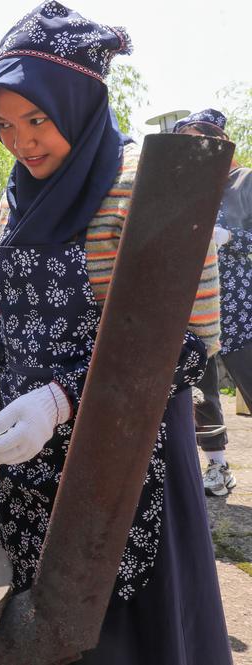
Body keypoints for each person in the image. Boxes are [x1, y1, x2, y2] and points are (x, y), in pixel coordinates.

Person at [0, 3, 230, 662]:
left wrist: (62, 397)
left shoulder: (142, 187)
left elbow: (189, 343)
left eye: (38, 120)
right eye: (6, 126)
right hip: (29, 466)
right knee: (37, 623)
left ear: (80, 103)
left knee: (121, 631)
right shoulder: (17, 196)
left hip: (127, 462)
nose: (23, 143)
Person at [174, 109, 251, 497]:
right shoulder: (191, 193)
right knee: (203, 396)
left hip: (244, 314)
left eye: (198, 143)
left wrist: (231, 239)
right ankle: (218, 469)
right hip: (201, 313)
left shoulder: (246, 182)